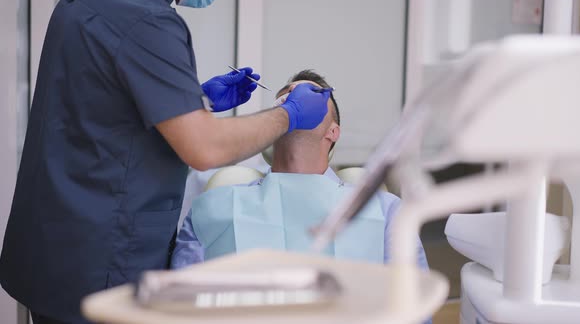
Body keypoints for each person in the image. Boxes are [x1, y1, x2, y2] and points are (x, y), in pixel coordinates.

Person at [0, 0, 330, 323]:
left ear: (335, 132)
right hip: (97, 265)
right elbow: (206, 148)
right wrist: (289, 114)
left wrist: (192, 100)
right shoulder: (147, 21)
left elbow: (101, 111)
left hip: (52, 252)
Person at [171, 70, 429, 271]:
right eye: (287, 98)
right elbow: (178, 303)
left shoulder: (386, 211)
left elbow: (413, 303)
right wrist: (196, 104)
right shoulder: (213, 205)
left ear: (333, 131)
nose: (296, 98)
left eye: (312, 95)